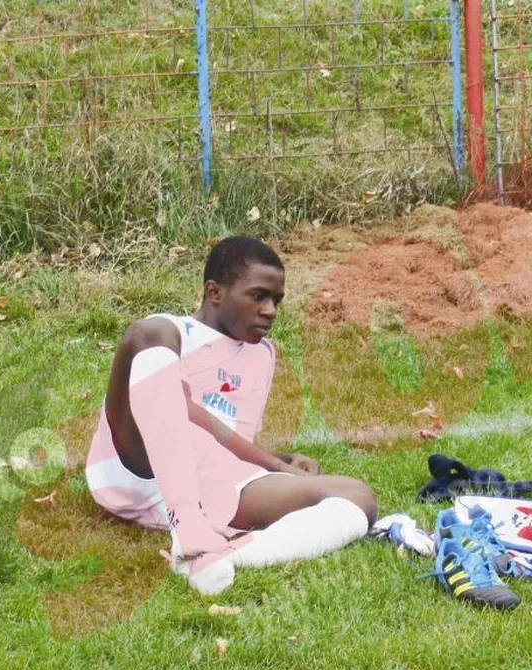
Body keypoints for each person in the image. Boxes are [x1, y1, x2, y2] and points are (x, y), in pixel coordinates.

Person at [85, 236, 377, 595]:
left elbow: (223, 443)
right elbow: (181, 410)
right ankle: (189, 526)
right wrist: (273, 463)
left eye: (277, 301)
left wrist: (282, 460)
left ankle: (222, 557)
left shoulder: (262, 356)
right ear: (215, 292)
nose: (270, 310)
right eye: (259, 296)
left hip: (208, 485)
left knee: (358, 498)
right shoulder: (171, 331)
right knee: (146, 335)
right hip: (138, 465)